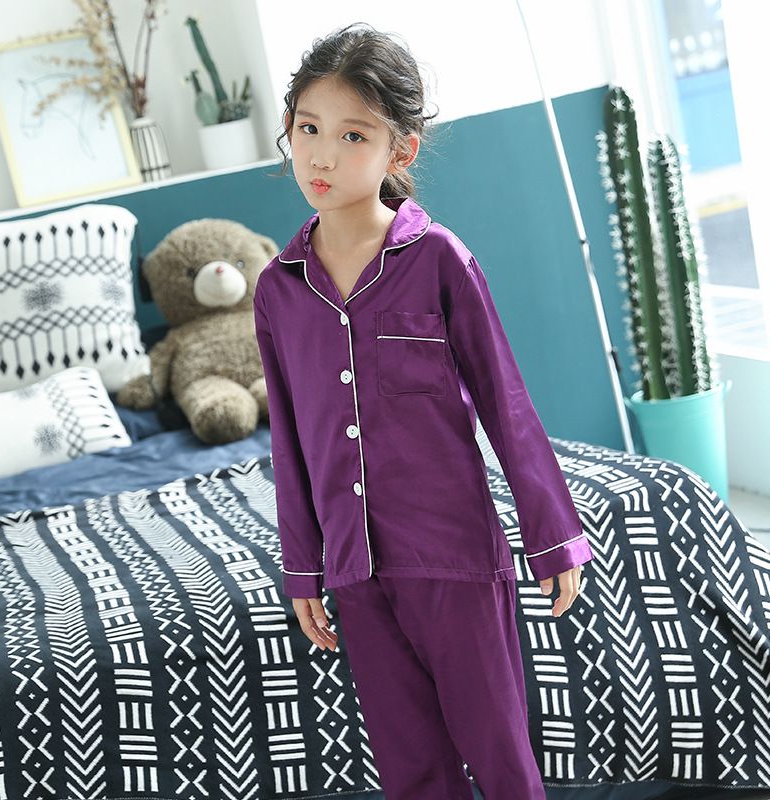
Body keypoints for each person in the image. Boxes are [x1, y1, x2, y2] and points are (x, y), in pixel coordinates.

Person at [253, 21, 595, 800]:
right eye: (308, 129)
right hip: (355, 569)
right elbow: (290, 442)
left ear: (399, 151)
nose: (322, 156)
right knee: (412, 773)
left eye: (352, 136)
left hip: (456, 559)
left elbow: (507, 404)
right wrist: (304, 566)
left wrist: (553, 537)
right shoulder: (278, 289)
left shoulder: (439, 259)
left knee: (502, 761)